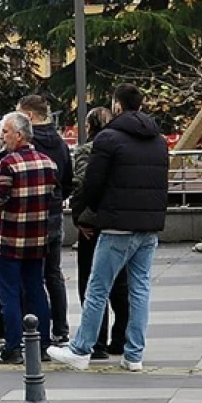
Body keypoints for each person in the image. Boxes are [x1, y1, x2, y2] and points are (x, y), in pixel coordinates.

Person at [49, 84, 168, 372]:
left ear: (116, 105)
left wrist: (84, 213)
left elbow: (93, 183)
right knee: (139, 289)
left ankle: (80, 349)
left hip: (116, 225)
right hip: (149, 226)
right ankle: (134, 354)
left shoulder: (108, 139)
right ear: (140, 105)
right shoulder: (158, 140)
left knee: (97, 287)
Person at [0, 112, 59, 365]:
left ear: (19, 135)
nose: (2, 137)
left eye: (5, 132)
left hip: (9, 239)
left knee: (10, 294)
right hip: (37, 239)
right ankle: (43, 344)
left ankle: (12, 346)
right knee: (36, 289)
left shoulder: (7, 164)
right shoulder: (48, 163)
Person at [69, 107, 131, 359]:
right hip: (122, 222)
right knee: (121, 283)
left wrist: (80, 217)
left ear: (89, 125)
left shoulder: (87, 150)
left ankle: (96, 342)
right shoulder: (125, 148)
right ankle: (121, 338)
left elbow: (81, 184)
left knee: (93, 284)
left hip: (93, 226)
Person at [17, 94, 73, 344]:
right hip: (55, 211)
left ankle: (34, 327)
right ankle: (61, 328)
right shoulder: (60, 143)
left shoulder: (29, 145)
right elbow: (69, 179)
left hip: (31, 215)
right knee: (54, 273)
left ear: (28, 116)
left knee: (31, 275)